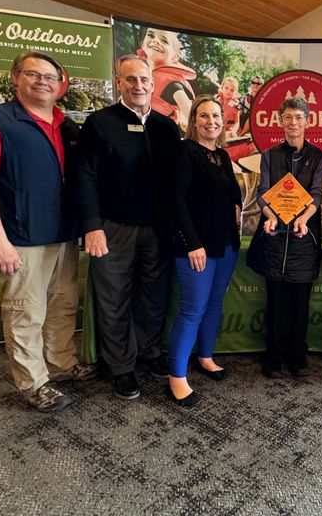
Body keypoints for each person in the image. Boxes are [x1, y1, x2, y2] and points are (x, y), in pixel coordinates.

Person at [0, 51, 95, 412]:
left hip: (64, 234)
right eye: (34, 74)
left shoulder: (66, 125)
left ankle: (61, 363)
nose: (43, 82)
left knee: (63, 304)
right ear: (16, 77)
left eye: (50, 77)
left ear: (60, 84)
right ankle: (33, 382)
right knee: (26, 312)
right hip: (21, 238)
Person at [76, 54, 181, 400]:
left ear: (152, 83)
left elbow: (177, 181)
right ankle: (121, 366)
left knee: (154, 294)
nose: (139, 85)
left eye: (144, 79)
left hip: (158, 228)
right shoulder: (99, 123)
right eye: (131, 79)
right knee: (114, 297)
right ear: (118, 82)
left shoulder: (167, 127)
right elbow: (85, 176)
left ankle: (148, 349)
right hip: (113, 228)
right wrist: (92, 226)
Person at [167, 95, 242, 406]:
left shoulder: (222, 155)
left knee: (213, 303)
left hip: (226, 244)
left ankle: (206, 357)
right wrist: (192, 243)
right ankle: (176, 377)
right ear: (194, 121)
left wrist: (236, 206)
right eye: (204, 116)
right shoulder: (185, 151)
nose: (211, 121)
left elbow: (233, 193)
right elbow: (176, 200)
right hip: (197, 247)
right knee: (192, 311)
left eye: (216, 116)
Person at [246, 97, 322, 378]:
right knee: (276, 302)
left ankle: (297, 356)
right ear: (280, 121)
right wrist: (269, 215)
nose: (293, 122)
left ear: (307, 121)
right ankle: (273, 356)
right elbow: (263, 193)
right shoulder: (269, 155)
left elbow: (316, 193)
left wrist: (303, 219)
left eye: (299, 117)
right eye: (288, 117)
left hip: (304, 239)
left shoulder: (318, 156)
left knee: (300, 305)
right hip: (275, 239)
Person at [137, 27, 196, 130]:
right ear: (143, 44)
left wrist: (185, 120)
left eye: (164, 40)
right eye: (151, 35)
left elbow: (194, 118)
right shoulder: (137, 74)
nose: (156, 40)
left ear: (175, 56)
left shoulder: (172, 85)